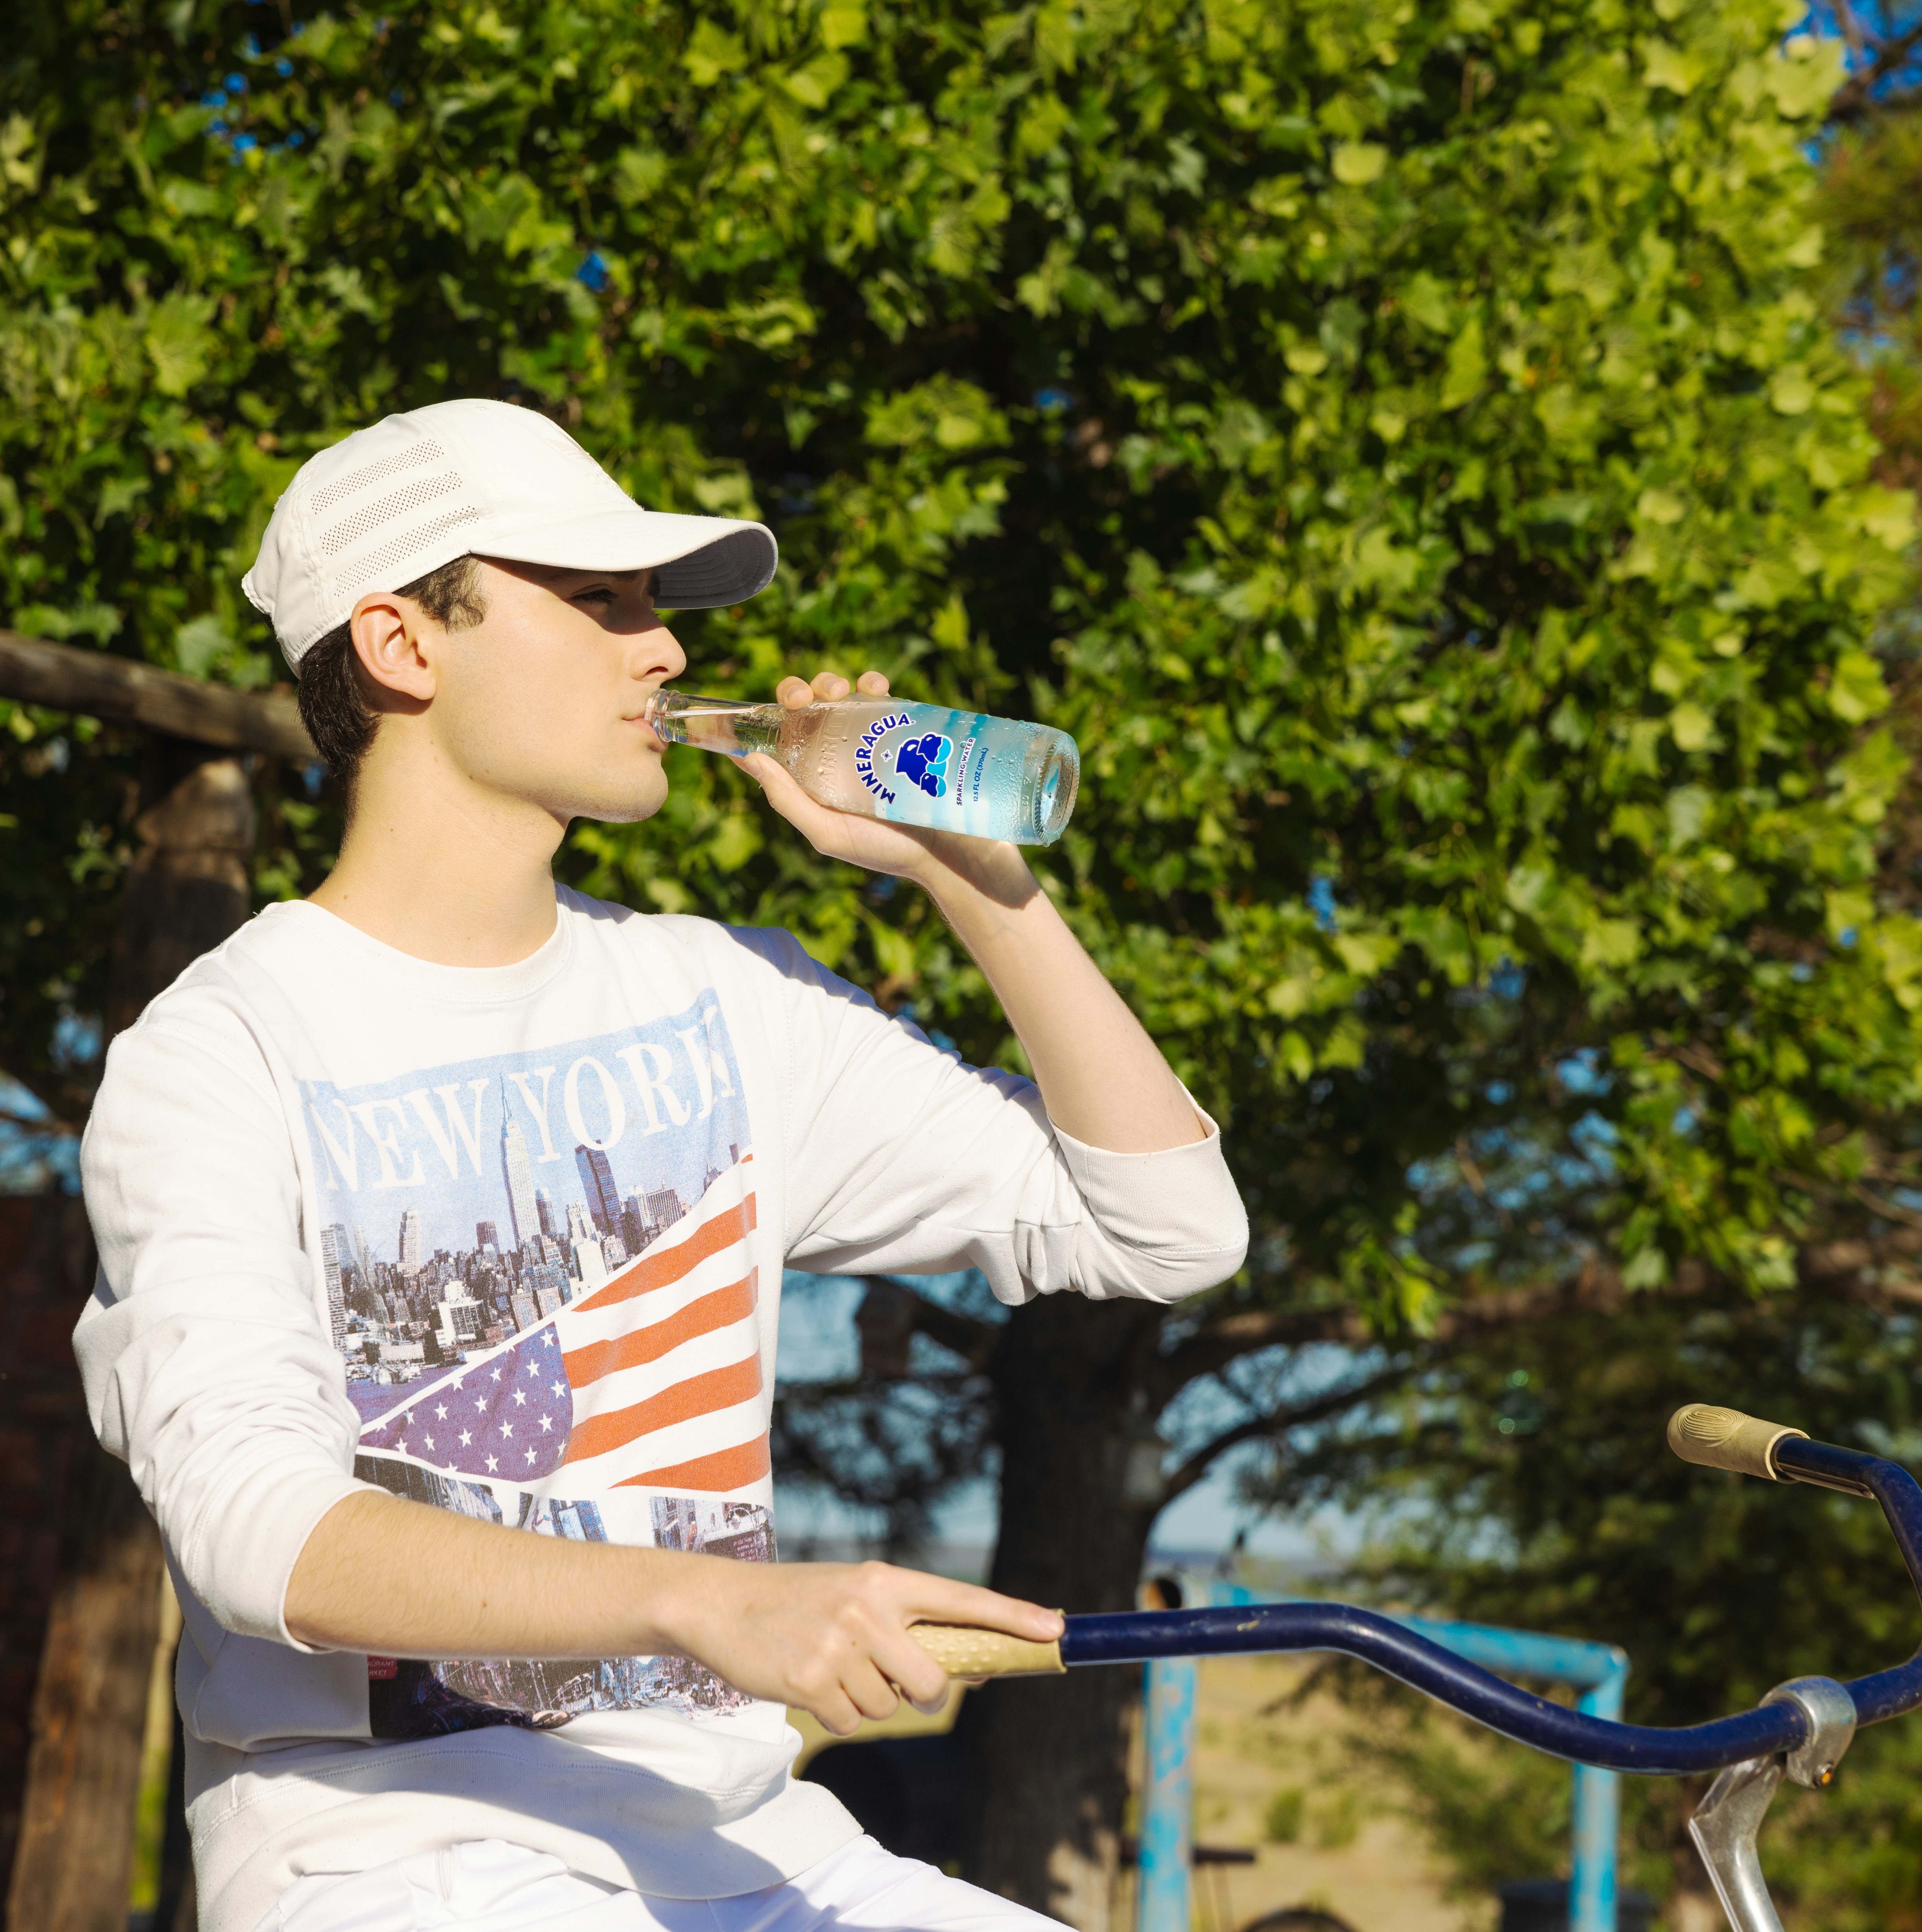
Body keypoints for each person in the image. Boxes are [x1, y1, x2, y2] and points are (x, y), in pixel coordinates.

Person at [74, 399, 1248, 1932]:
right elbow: (257, 1528)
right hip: (393, 1864)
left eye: (656, 605)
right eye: (599, 599)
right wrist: (704, 1598)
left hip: (749, 1851)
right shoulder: (222, 1048)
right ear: (401, 644)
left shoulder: (730, 996)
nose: (668, 650)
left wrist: (971, 878)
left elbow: (1166, 1230)